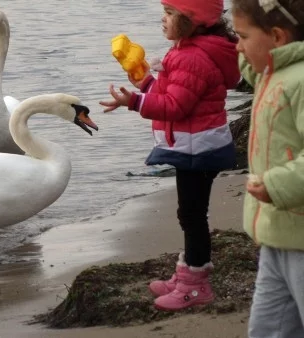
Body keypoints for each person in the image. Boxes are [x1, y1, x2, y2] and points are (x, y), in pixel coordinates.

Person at [99, 0, 240, 311]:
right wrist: (145, 83)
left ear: (190, 21)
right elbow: (172, 92)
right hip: (196, 145)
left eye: (169, 14)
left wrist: (134, 102)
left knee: (192, 216)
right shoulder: (188, 50)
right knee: (190, 214)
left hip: (199, 149)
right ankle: (188, 272)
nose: (162, 20)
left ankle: (195, 285)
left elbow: (176, 107)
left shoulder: (192, 57)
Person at [231, 0, 304, 336]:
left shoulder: (300, 81)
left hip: (300, 237)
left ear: (276, 36)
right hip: (276, 236)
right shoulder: (269, 73)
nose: (238, 46)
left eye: (243, 36)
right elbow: (248, 63)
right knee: (267, 329)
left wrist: (277, 185)